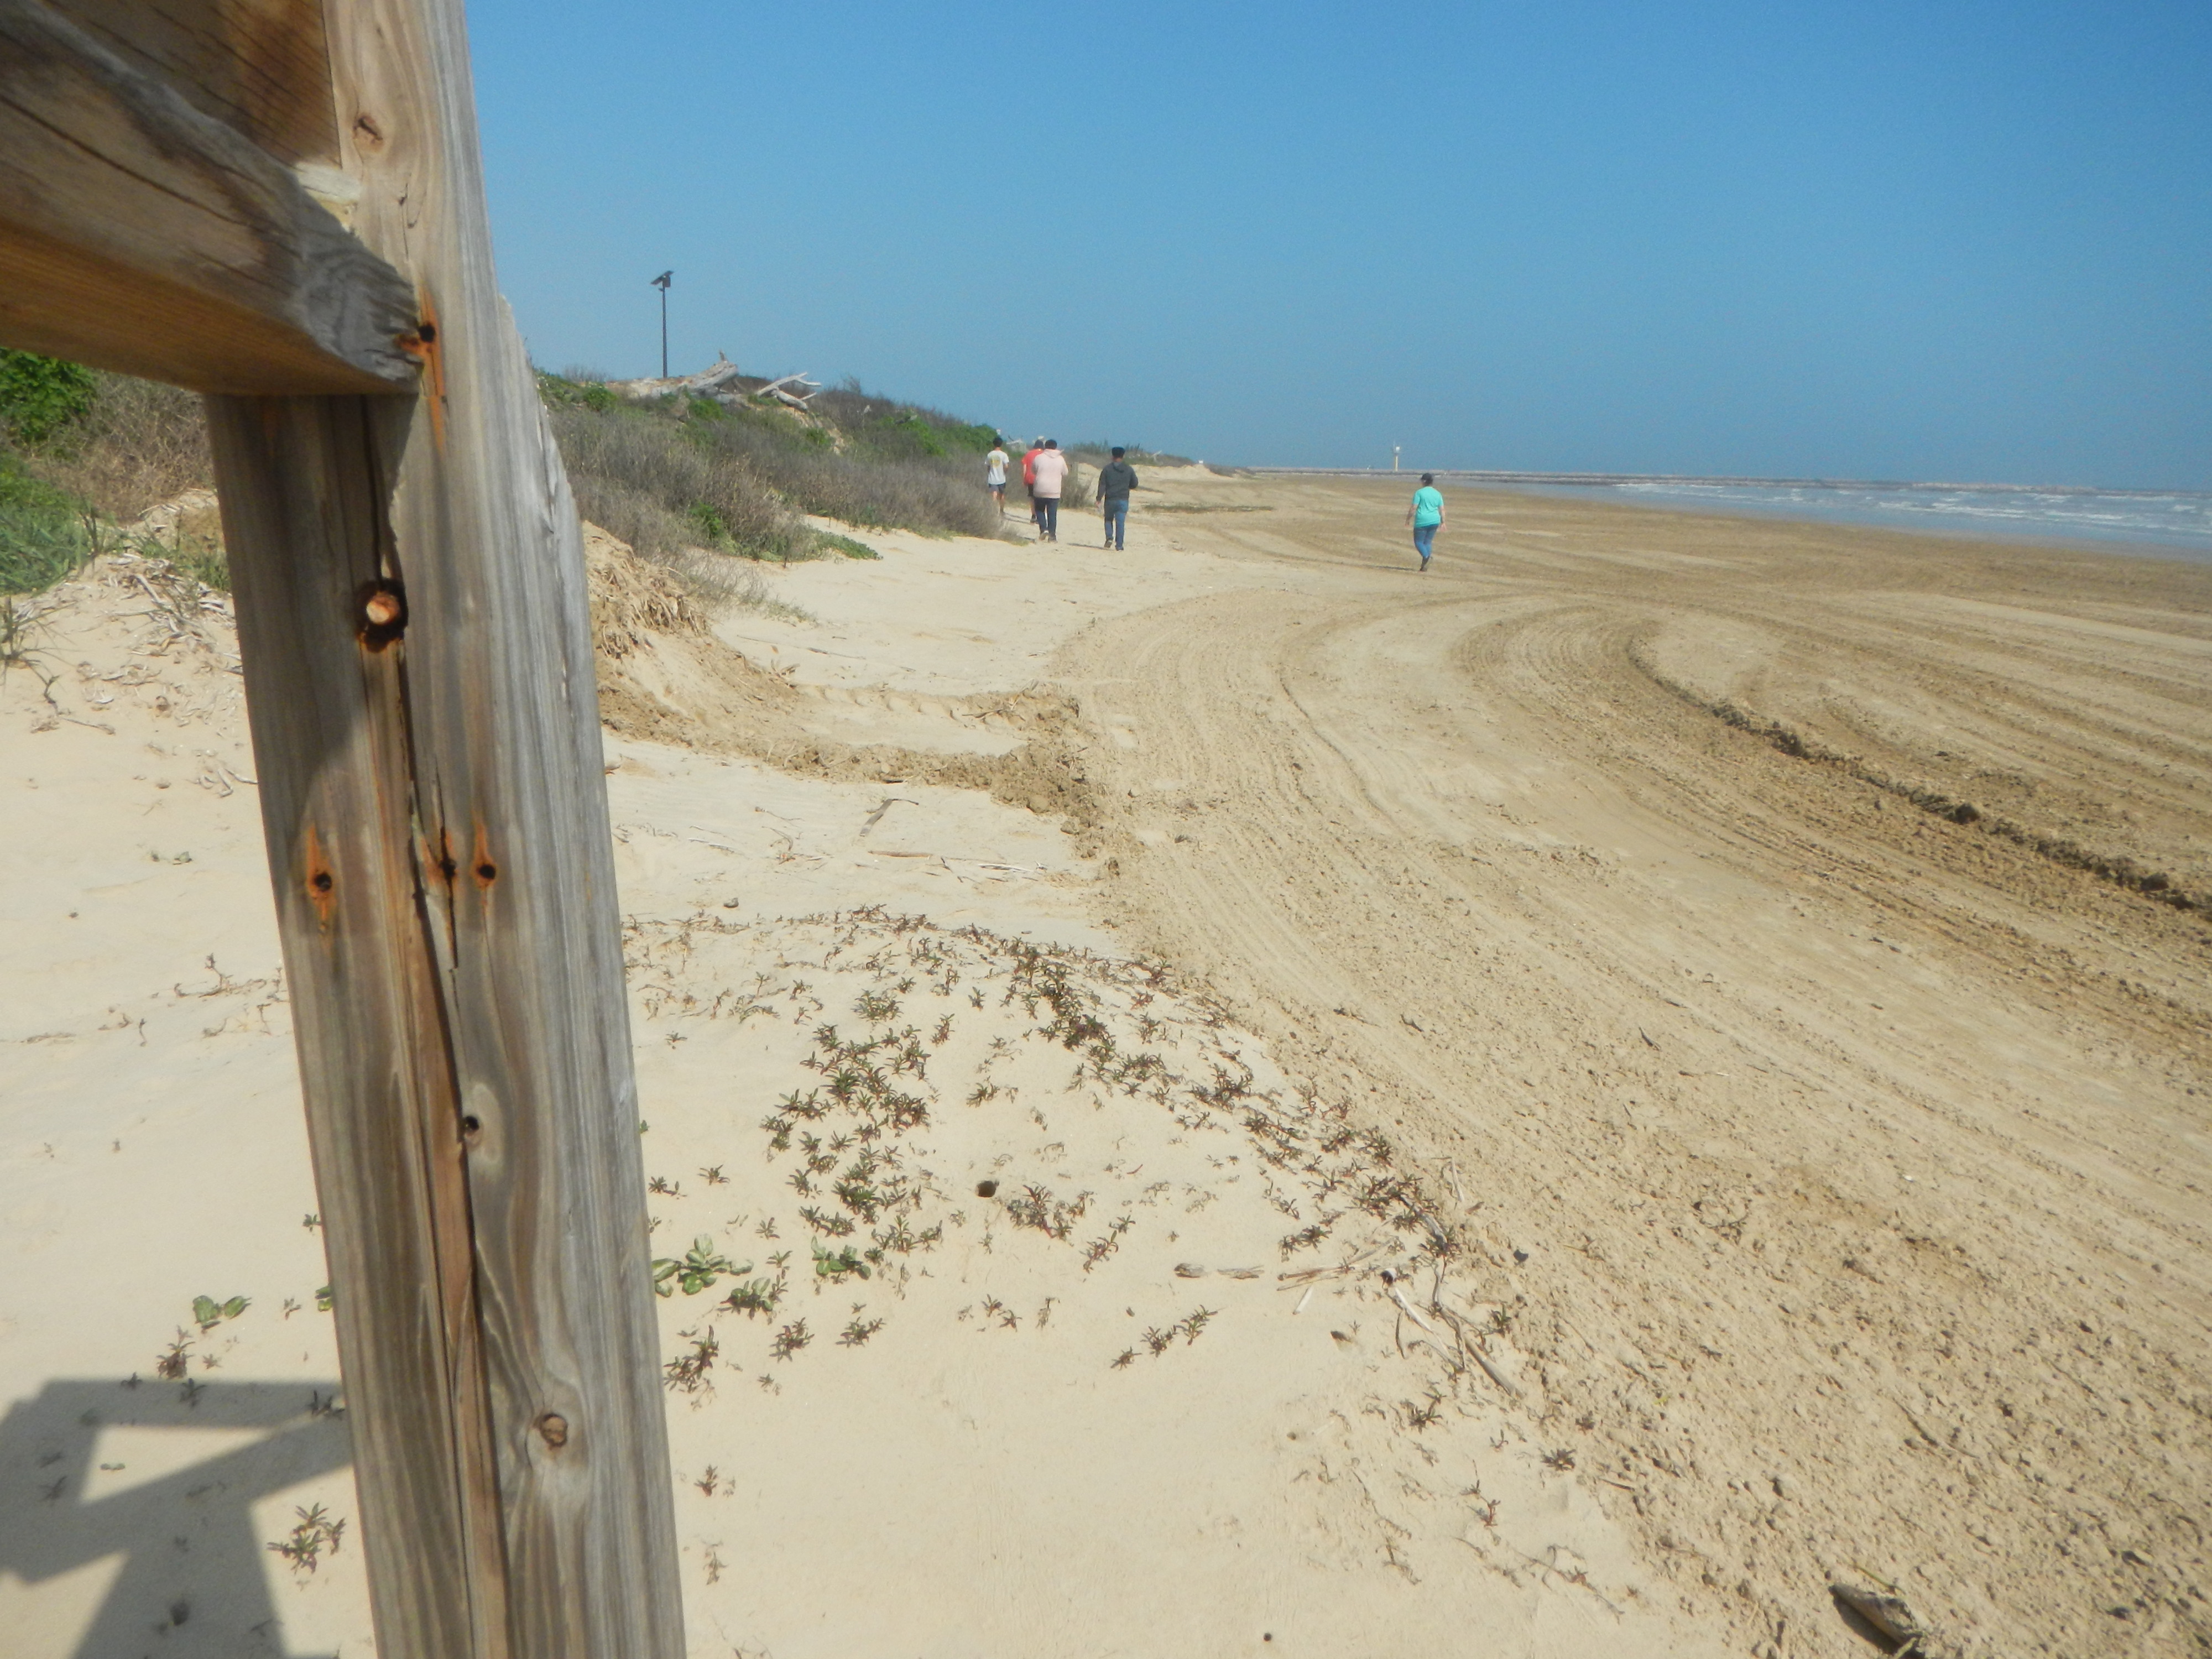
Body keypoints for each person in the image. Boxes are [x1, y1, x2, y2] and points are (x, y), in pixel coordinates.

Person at [1097, 446, 1139, 549]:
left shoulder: (1107, 469)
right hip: (1123, 499)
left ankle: (1109, 537)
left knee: (1108, 519)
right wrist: (1126, 486)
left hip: (1110, 499)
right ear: (1123, 456)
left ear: (1112, 456)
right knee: (1120, 523)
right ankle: (1119, 545)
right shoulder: (1129, 469)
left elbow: (1102, 485)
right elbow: (1135, 484)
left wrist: (1099, 498)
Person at [1030, 439, 1070, 542]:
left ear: (1045, 447)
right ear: (1056, 447)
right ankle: (1052, 537)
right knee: (1052, 514)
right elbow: (1066, 473)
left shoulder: (1039, 458)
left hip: (1040, 489)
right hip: (1054, 490)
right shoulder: (1060, 459)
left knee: (1039, 511)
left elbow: (1033, 470)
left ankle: (1043, 529)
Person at [1405, 472, 1445, 570]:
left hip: (1422, 520)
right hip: (1435, 520)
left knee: (1418, 542)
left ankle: (1427, 557)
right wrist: (1443, 522)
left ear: (1424, 481)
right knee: (1427, 542)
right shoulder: (1437, 494)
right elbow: (1442, 509)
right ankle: (1425, 565)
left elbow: (1414, 508)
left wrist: (1408, 519)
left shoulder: (1419, 493)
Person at [1022, 436, 1046, 530]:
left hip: (1030, 478)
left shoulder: (1028, 454)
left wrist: (1024, 479)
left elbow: (1024, 467)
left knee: (1032, 497)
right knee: (1041, 498)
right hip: (1041, 479)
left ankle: (1033, 515)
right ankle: (1041, 516)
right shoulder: (1044, 455)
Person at [985, 437, 1010, 516]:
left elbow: (988, 466)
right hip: (1002, 479)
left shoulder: (990, 455)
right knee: (1002, 495)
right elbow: (1006, 466)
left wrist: (990, 472)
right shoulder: (1004, 455)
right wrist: (1004, 472)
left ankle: (993, 511)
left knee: (994, 495)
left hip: (992, 478)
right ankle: (1001, 511)